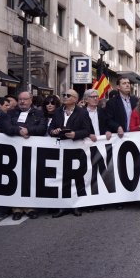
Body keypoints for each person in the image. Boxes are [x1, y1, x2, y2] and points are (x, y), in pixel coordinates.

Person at [48, 90, 93, 218]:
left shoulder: (82, 113)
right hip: (61, 149)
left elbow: (87, 130)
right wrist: (53, 131)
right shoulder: (58, 111)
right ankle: (63, 206)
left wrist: (75, 134)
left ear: (75, 99)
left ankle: (77, 205)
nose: (65, 97)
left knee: (77, 177)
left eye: (68, 96)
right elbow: (50, 128)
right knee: (63, 177)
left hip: (76, 148)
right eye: (64, 95)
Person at [6, 91, 47, 220]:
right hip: (14, 151)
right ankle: (16, 208)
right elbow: (6, 127)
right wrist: (18, 131)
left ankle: (30, 207)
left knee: (30, 179)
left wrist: (28, 130)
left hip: (32, 152)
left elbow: (42, 129)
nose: (22, 102)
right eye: (20, 99)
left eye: (25, 99)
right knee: (15, 179)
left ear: (31, 100)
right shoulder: (11, 113)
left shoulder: (39, 113)